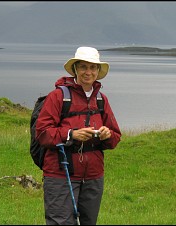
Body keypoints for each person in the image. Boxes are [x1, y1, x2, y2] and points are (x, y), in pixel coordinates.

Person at [36, 46, 122, 225]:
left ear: (98, 71)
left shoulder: (101, 100)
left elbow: (115, 137)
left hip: (93, 176)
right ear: (75, 69)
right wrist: (71, 134)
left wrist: (107, 134)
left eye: (92, 68)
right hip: (60, 174)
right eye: (83, 67)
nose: (88, 72)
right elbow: (43, 133)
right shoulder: (58, 97)